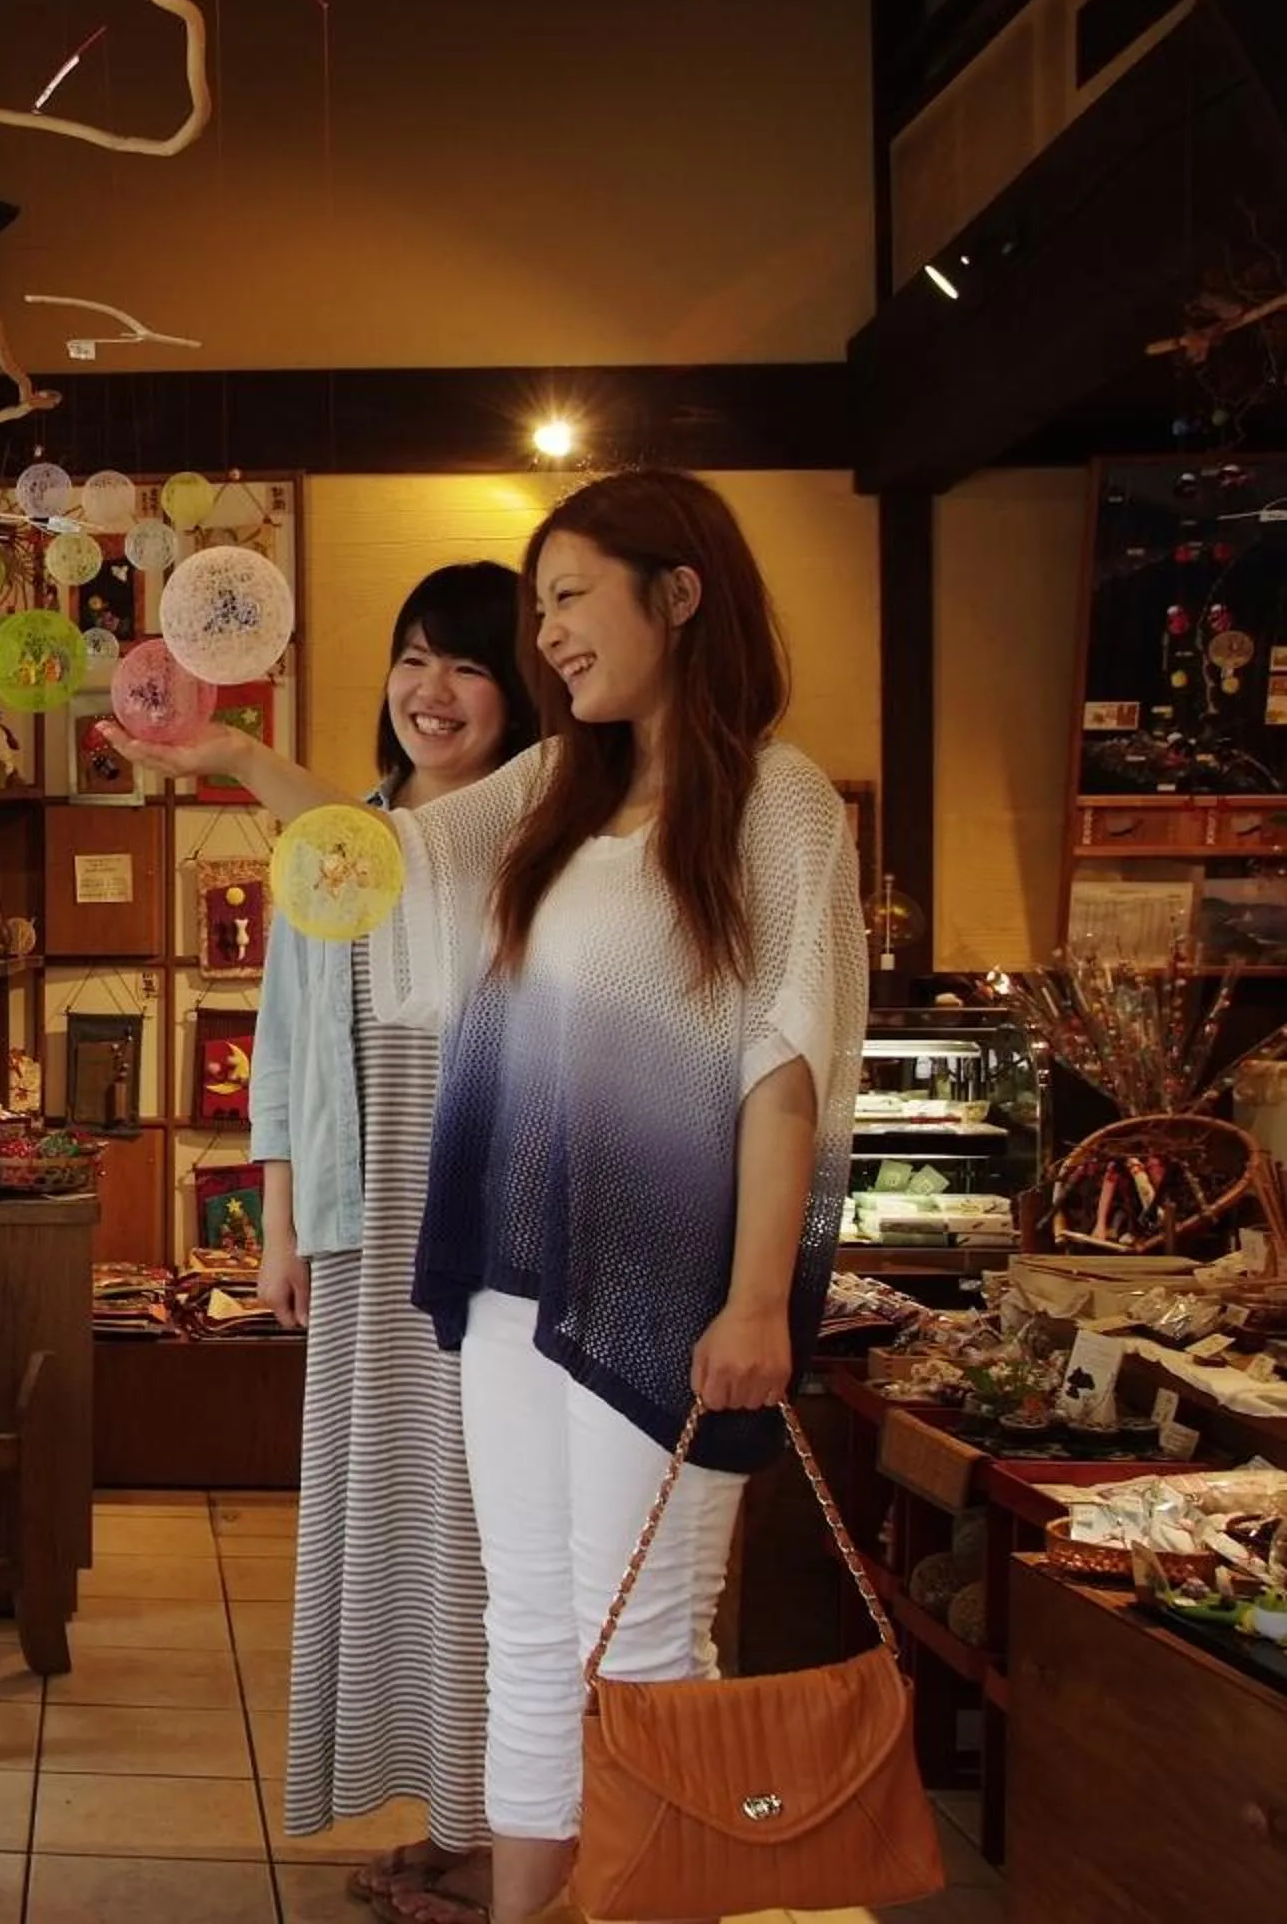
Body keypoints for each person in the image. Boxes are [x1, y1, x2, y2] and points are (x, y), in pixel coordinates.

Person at [113, 471, 866, 1924]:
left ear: (682, 592)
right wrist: (229, 756)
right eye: (540, 611)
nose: (550, 638)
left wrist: (763, 1296)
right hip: (515, 1276)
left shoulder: (780, 802)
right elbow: (374, 855)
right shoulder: (553, 786)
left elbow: (790, 1070)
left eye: (570, 598)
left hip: (674, 1286)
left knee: (641, 1640)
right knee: (530, 1629)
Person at [247, 562, 537, 1924]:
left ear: (523, 691)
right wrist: (281, 1225)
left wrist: (234, 751)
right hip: (369, 1217)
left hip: (486, 1217)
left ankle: (500, 1836)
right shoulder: (342, 830)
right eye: (414, 658)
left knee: (485, 1526)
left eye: (469, 667)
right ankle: (450, 1807)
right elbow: (286, 1045)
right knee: (389, 1516)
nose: (433, 691)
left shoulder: (532, 831)